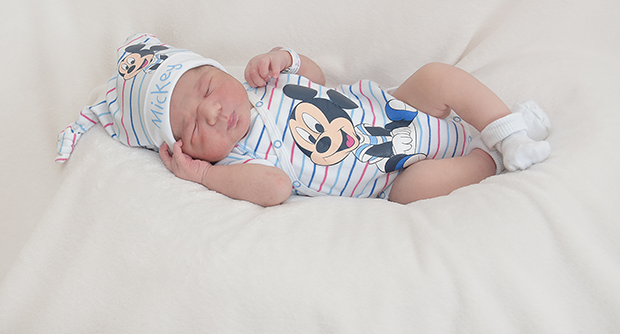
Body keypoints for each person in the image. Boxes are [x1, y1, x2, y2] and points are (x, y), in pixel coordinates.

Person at [57, 34, 551, 207]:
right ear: (184, 149)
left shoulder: (260, 82)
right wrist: (206, 176)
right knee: (413, 192)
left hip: (398, 107)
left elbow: (315, 80)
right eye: (190, 128)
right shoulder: (238, 161)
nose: (210, 111)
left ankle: (507, 130)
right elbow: (275, 188)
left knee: (437, 77)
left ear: (218, 70)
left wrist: (286, 57)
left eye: (206, 88)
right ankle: (487, 159)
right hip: (392, 174)